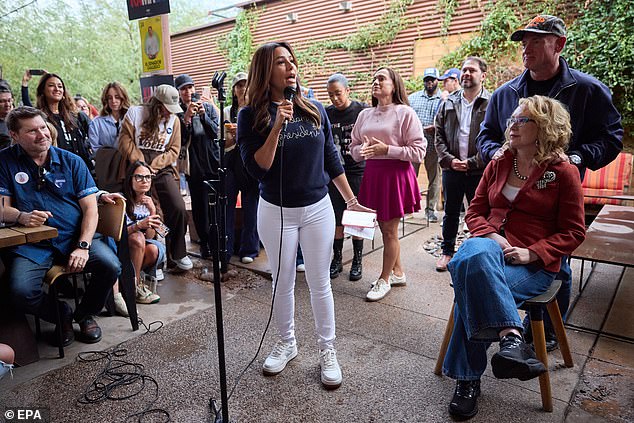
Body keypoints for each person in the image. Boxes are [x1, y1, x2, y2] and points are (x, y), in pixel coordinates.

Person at [476, 14, 623, 351]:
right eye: (523, 41)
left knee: (559, 262)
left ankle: (547, 330)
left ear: (559, 45)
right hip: (507, 192)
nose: (526, 48)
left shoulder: (587, 90)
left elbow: (612, 138)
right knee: (491, 252)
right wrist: (495, 153)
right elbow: (486, 135)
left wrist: (579, 157)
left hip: (555, 196)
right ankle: (511, 332)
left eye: (536, 41)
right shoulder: (506, 93)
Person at [443, 95, 586, 419]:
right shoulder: (500, 162)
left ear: (544, 127)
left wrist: (532, 252)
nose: (512, 126)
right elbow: (476, 212)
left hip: (532, 263)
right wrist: (494, 237)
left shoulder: (563, 172)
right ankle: (511, 338)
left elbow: (574, 231)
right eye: (512, 120)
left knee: (472, 278)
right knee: (477, 255)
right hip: (490, 245)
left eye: (522, 121)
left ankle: (467, 380)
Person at [238, 41, 368, 389]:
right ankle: (287, 342)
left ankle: (328, 350)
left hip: (317, 209)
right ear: (266, 70)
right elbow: (257, 169)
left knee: (319, 281)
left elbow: (331, 158)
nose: (290, 67)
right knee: (282, 281)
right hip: (275, 211)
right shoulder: (250, 115)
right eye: (282, 62)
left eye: (292, 61)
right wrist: (277, 126)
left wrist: (351, 200)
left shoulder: (313, 109)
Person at [0, 106, 122, 346]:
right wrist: (22, 216)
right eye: (32, 131)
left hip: (74, 236)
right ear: (14, 135)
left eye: (43, 127)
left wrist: (84, 246)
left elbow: (90, 209)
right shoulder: (4, 161)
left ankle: (85, 313)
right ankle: (60, 314)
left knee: (110, 266)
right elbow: (2, 208)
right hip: (33, 244)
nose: (42, 134)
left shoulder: (72, 161)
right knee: (19, 292)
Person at [350, 67, 426, 302]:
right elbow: (352, 150)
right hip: (372, 175)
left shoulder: (405, 112)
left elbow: (419, 151)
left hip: (395, 176)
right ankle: (398, 273)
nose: (376, 81)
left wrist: (386, 150)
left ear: (394, 85)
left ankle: (384, 279)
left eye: (381, 78)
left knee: (390, 231)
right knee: (384, 230)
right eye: (374, 78)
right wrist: (361, 151)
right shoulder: (364, 114)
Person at [118, 84, 192, 271]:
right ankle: (151, 261)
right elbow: (125, 140)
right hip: (137, 165)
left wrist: (155, 166)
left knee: (177, 207)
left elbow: (174, 149)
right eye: (167, 109)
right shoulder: (135, 113)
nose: (169, 114)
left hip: (161, 167)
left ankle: (177, 254)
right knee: (144, 208)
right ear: (157, 105)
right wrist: (141, 164)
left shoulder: (174, 121)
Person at [434, 57, 491, 272]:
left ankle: (479, 256)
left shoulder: (492, 102)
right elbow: (438, 134)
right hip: (452, 168)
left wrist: (472, 162)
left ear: (483, 75)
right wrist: (449, 160)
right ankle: (447, 252)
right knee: (450, 212)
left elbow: (498, 137)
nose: (466, 73)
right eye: (464, 70)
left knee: (481, 213)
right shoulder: (448, 102)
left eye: (472, 70)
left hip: (479, 169)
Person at [325, 73, 368, 280]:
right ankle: (337, 259)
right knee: (337, 220)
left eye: (338, 94)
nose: (335, 98)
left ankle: (358, 260)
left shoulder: (362, 110)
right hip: (335, 174)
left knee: (357, 218)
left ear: (348, 91)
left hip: (358, 171)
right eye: (331, 95)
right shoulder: (326, 113)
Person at [174, 74, 220, 260]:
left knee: (216, 205)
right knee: (200, 208)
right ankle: (204, 243)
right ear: (178, 92)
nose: (188, 91)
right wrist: (187, 117)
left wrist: (202, 115)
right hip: (194, 166)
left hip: (212, 161)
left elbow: (215, 131)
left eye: (191, 87)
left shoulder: (207, 107)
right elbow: (180, 140)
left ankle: (218, 242)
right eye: (184, 88)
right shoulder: (177, 113)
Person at [21, 71, 94, 173]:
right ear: (43, 90)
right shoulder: (41, 118)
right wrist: (24, 84)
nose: (57, 89)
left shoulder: (77, 116)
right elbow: (27, 107)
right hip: (57, 170)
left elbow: (95, 134)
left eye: (60, 86)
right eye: (51, 85)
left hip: (82, 168)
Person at [224, 72, 260, 264]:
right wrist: (232, 135)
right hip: (231, 162)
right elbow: (222, 143)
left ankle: (250, 249)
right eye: (238, 85)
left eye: (245, 84)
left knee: (251, 205)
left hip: (250, 163)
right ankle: (226, 248)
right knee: (227, 205)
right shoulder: (226, 111)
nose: (242, 89)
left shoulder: (257, 110)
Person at [122, 161, 166, 304]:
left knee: (153, 249)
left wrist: (152, 211)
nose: (144, 181)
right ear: (130, 179)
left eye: (148, 177)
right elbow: (116, 234)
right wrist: (138, 225)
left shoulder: (151, 201)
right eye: (139, 177)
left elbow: (153, 235)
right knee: (138, 236)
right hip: (121, 245)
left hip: (140, 247)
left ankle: (131, 280)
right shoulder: (121, 200)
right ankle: (135, 285)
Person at [408, 67, 442, 223]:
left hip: (434, 146)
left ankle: (430, 210)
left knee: (434, 178)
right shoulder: (413, 99)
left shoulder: (444, 99)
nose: (429, 82)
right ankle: (407, 208)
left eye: (432, 79)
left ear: (437, 81)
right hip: (414, 145)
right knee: (408, 177)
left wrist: (435, 128)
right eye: (427, 80)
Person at [88, 82, 131, 152]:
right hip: (107, 161)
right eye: (110, 98)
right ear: (106, 100)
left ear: (123, 98)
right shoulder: (96, 123)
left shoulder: (131, 119)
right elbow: (95, 149)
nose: (113, 101)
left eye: (117, 97)